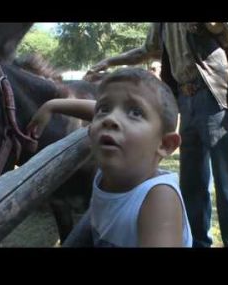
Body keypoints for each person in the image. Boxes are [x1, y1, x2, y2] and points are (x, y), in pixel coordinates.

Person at [89, 23, 228, 247]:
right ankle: (197, 243)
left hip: (216, 98)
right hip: (185, 98)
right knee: (192, 184)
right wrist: (110, 61)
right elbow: (147, 50)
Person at [28, 68, 192, 247]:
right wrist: (52, 106)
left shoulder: (159, 200)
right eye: (105, 109)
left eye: (135, 113)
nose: (110, 119)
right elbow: (95, 110)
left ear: (165, 144)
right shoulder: (112, 174)